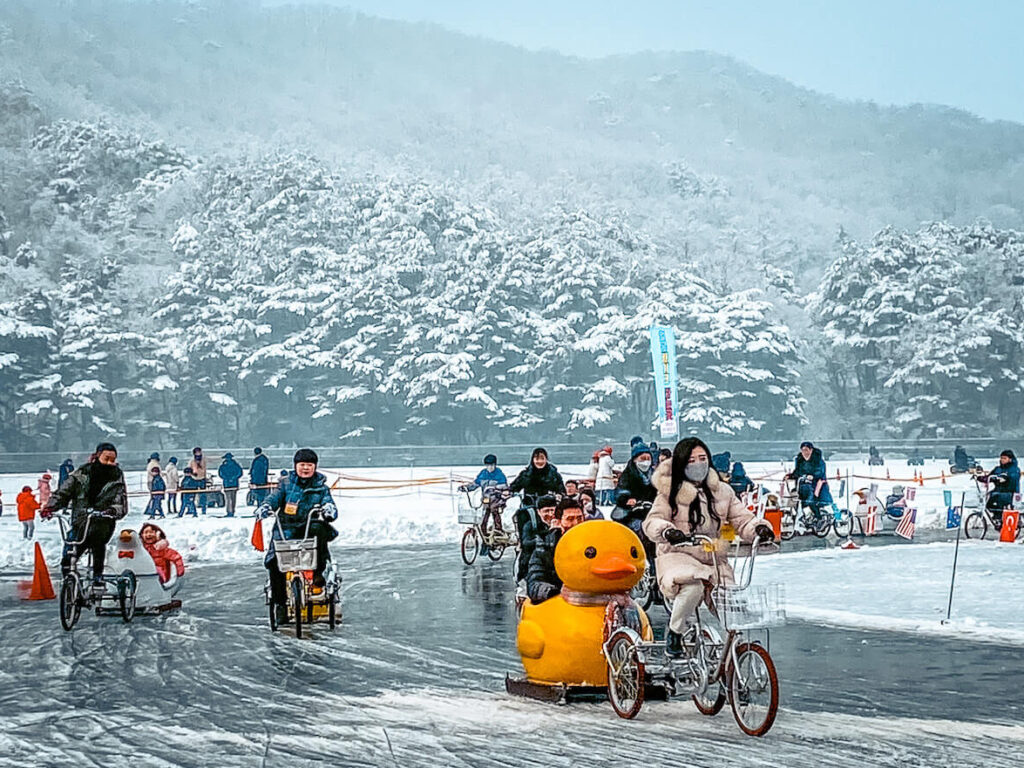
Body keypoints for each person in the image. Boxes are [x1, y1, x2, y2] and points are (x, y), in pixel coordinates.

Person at [643, 437, 773, 657]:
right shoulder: (669, 493)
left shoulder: (723, 491)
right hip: (678, 555)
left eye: (702, 458)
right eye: (692, 460)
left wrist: (758, 528)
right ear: (682, 464)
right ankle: (674, 632)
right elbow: (652, 521)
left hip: (712, 556)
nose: (698, 464)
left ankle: (733, 656)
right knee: (694, 586)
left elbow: (742, 518)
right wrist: (668, 531)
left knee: (730, 602)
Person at [256, 449, 339, 625]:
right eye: (302, 465)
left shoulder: (321, 487)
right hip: (285, 528)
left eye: (309, 465)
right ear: (296, 466)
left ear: (315, 467)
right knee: (275, 563)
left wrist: (329, 509)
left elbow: (328, 502)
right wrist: (265, 507)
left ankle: (318, 574)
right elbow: (273, 498)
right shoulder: (285, 484)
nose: (306, 468)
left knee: (320, 530)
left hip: (309, 527)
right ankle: (280, 605)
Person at [40, 442, 129, 588]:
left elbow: (120, 502)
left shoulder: (116, 477)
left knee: (98, 545)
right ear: (97, 456)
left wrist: (111, 511)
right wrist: (50, 507)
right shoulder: (81, 474)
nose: (109, 463)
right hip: (80, 522)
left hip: (102, 523)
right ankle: (69, 584)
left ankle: (98, 578)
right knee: (70, 551)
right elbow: (64, 493)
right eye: (106, 458)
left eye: (112, 460)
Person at [526, 496, 587, 603]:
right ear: (558, 522)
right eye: (570, 519)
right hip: (560, 605)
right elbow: (534, 584)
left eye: (579, 518)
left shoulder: (592, 544)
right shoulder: (545, 547)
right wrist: (555, 592)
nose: (576, 524)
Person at [613, 443, 658, 563]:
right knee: (641, 534)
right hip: (632, 514)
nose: (646, 462)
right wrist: (627, 499)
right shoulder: (628, 475)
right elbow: (620, 491)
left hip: (652, 512)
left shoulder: (654, 475)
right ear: (634, 460)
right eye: (642, 459)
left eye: (648, 459)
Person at [516, 494, 558, 583]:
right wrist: (549, 534)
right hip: (531, 567)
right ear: (538, 512)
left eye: (552, 510)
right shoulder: (531, 525)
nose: (550, 514)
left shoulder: (561, 522)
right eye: (546, 511)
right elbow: (526, 543)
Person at [787, 441, 833, 517]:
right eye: (803, 450)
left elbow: (820, 472)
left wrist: (813, 476)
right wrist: (791, 476)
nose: (805, 453)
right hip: (803, 486)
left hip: (817, 485)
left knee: (812, 501)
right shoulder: (800, 461)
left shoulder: (818, 460)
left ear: (811, 450)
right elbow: (798, 471)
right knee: (798, 500)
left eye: (806, 450)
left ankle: (818, 517)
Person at [986, 450, 1020, 517]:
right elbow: (990, 476)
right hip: (998, 491)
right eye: (1001, 458)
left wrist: (1006, 478)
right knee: (989, 504)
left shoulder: (1014, 469)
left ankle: (1001, 517)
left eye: (1004, 458)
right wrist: (982, 478)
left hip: (1010, 492)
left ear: (1010, 459)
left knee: (1000, 501)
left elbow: (1013, 478)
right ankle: (998, 516)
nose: (1002, 460)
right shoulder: (998, 469)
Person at [218, 452, 243, 517]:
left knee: (228, 498)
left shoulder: (223, 466)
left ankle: (229, 511)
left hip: (227, 484)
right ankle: (232, 510)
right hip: (234, 483)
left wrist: (227, 478)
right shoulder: (236, 465)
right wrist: (234, 478)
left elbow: (221, 474)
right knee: (233, 497)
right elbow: (240, 473)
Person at [189, 447, 208, 514]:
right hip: (194, 479)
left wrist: (205, 477)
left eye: (199, 452)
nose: (198, 453)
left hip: (202, 479)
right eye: (197, 452)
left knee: (203, 495)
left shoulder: (203, 460)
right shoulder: (192, 461)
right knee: (192, 495)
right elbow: (189, 469)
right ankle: (192, 509)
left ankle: (203, 509)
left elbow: (205, 469)